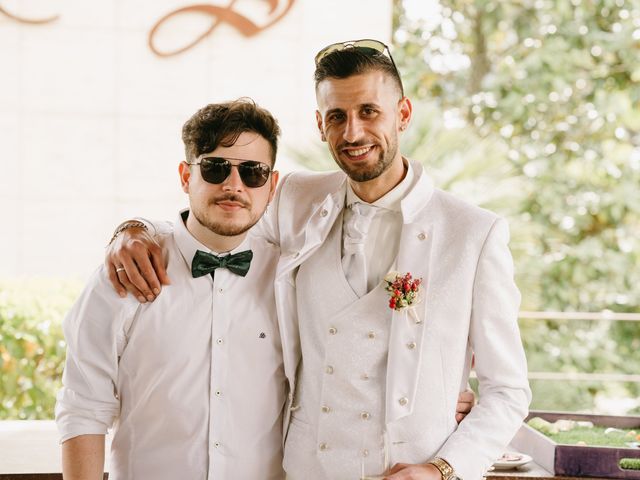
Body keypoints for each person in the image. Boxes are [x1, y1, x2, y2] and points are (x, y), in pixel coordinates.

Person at [106, 39, 530, 480]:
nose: (352, 133)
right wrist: (133, 230)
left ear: (403, 114)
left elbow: (508, 392)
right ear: (320, 124)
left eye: (369, 111)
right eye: (336, 117)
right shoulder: (294, 197)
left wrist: (442, 469)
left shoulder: (473, 234)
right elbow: (213, 217)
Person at [55, 99, 287, 479]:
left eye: (253, 172)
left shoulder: (290, 278)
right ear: (185, 176)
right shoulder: (124, 274)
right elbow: (83, 407)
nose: (233, 185)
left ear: (271, 185)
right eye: (214, 168)